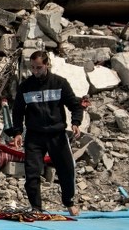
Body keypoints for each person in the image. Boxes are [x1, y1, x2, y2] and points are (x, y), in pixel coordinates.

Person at [5, 50, 83, 216]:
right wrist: (17, 132)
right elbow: (17, 111)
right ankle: (36, 207)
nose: (35, 71)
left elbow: (74, 105)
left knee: (66, 170)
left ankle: (69, 202)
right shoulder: (25, 87)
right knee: (32, 172)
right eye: (32, 67)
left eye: (38, 67)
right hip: (34, 136)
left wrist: (76, 122)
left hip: (57, 135)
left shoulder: (59, 83)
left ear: (47, 65)